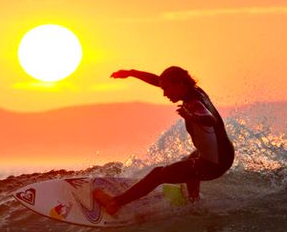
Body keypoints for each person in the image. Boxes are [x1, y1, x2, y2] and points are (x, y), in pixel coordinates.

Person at [93, 66, 235, 215]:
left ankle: (114, 203)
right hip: (224, 154)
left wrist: (193, 117)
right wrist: (131, 73)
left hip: (214, 164)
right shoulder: (195, 90)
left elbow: (210, 119)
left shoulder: (194, 104)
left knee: (158, 174)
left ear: (179, 84)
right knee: (190, 160)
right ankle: (194, 200)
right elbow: (157, 80)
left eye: (167, 88)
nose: (164, 94)